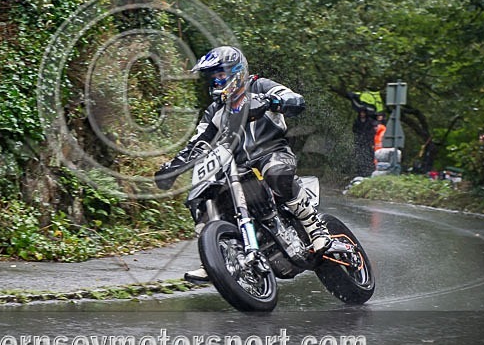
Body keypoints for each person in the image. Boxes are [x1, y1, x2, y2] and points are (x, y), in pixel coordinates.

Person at [153, 46, 332, 283]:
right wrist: (173, 168)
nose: (216, 80)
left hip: (272, 152)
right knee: (200, 198)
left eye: (221, 74)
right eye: (213, 76)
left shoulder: (259, 86)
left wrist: (273, 101)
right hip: (237, 168)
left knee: (276, 173)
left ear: (236, 71)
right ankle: (216, 256)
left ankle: (315, 227)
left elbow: (295, 100)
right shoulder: (214, 111)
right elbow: (197, 143)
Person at [352, 109, 377, 177]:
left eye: (363, 113)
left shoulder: (370, 121)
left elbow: (372, 132)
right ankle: (360, 172)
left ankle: (369, 171)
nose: (362, 114)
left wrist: (370, 140)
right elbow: (354, 130)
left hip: (368, 142)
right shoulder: (357, 121)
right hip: (359, 142)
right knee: (359, 156)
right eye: (361, 113)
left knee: (369, 156)